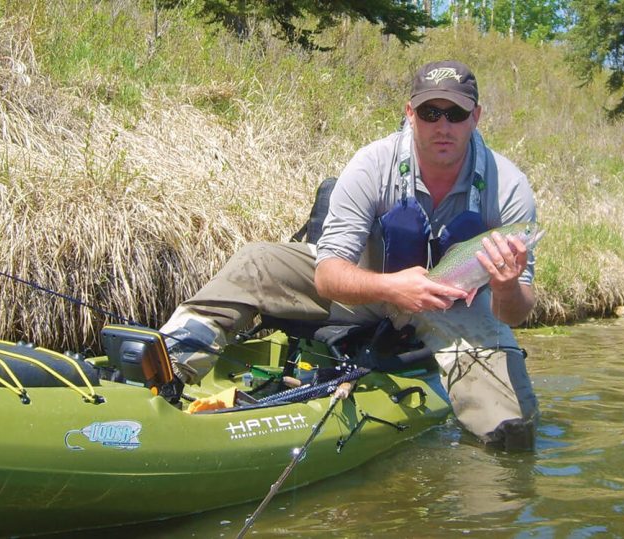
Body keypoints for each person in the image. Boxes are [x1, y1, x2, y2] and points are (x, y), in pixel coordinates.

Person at [161, 60, 539, 450]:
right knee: (258, 262)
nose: (443, 126)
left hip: (456, 306)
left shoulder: (508, 187)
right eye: (430, 112)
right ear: (410, 114)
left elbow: (514, 313)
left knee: (513, 433)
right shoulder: (373, 164)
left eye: (456, 114)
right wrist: (392, 288)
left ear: (475, 117)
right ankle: (164, 367)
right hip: (371, 287)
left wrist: (507, 286)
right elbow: (327, 275)